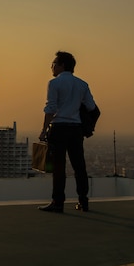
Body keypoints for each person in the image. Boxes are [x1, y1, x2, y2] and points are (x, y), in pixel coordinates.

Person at [38, 51, 96, 213]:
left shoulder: (54, 83)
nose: (52, 67)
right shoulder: (82, 84)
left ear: (62, 65)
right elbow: (91, 106)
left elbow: (51, 108)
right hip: (76, 129)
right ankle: (83, 202)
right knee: (79, 166)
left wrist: (44, 130)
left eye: (54, 64)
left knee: (58, 167)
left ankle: (58, 202)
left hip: (59, 128)